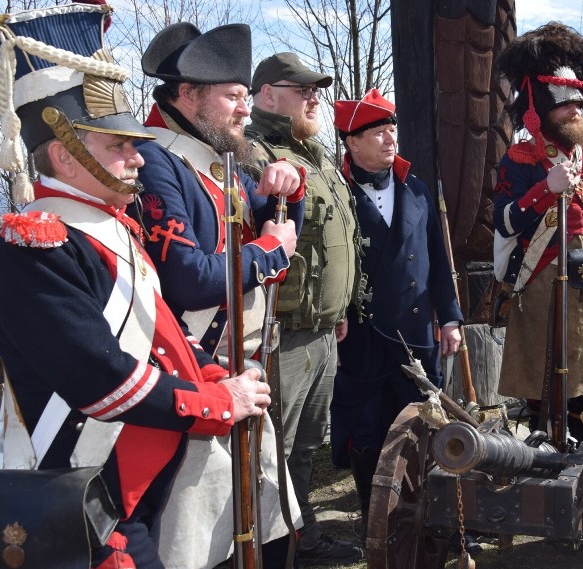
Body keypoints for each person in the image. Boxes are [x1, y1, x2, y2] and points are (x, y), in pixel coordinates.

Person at [0, 4, 271, 567]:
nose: (136, 160)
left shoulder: (106, 228)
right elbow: (103, 382)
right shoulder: (35, 245)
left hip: (131, 486)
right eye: (116, 147)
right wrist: (219, 401)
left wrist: (211, 369)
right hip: (81, 493)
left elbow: (157, 337)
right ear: (62, 154)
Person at [135, 23, 305, 567]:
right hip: (193, 368)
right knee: (193, 540)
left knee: (254, 522)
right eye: (232, 96)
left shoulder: (207, 154)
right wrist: (271, 253)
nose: (244, 110)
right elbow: (189, 277)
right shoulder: (157, 161)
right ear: (188, 94)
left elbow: (268, 222)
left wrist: (288, 187)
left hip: (239, 366)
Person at [245, 53, 364, 564]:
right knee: (272, 450)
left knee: (305, 450)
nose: (314, 97)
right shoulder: (253, 154)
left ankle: (302, 538)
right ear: (267, 95)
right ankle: (274, 550)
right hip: (282, 333)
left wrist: (339, 311)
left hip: (322, 331)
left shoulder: (317, 156)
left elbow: (335, 243)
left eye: (316, 90)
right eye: (302, 89)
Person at [330, 88, 463, 531]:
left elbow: (438, 261)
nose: (391, 139)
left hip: (417, 335)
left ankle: (426, 510)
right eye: (379, 132)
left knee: (425, 421)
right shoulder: (338, 194)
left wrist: (450, 318)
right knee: (367, 429)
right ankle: (375, 519)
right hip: (365, 337)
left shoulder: (417, 189)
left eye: (392, 130)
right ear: (351, 142)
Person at [491, 22, 583, 442]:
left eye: (578, 104)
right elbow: (503, 222)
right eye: (564, 105)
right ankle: (544, 442)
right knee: (542, 374)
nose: (575, 111)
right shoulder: (519, 159)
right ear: (538, 109)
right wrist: (543, 190)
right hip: (538, 278)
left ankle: (580, 443)